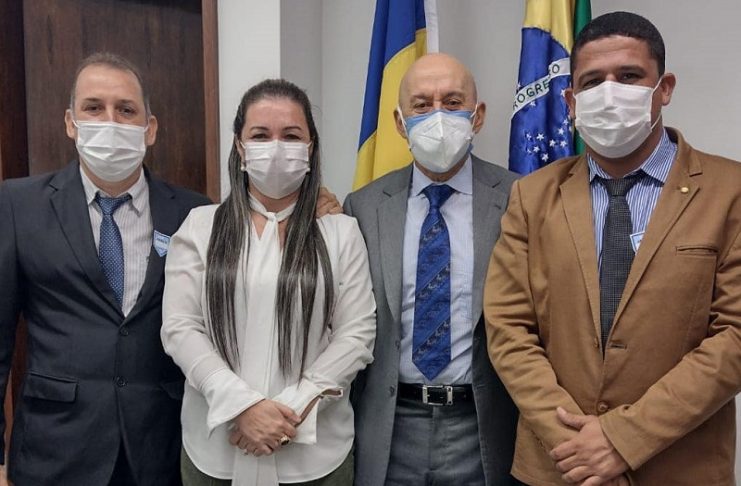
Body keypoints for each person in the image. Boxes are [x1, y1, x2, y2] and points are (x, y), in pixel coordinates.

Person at [485, 11, 741, 486]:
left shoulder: (730, 191)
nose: (609, 92)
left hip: (681, 469)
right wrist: (577, 447)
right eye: (592, 81)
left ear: (664, 88)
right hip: (560, 467)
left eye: (628, 76)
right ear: (571, 101)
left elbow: (735, 337)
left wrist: (623, 439)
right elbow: (508, 330)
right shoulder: (532, 197)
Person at [0, 52, 211, 485]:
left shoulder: (194, 212)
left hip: (161, 451)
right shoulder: (19, 205)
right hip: (54, 451)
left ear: (150, 128)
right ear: (70, 122)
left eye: (126, 110)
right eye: (94, 108)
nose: (110, 121)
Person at [161, 78, 376, 486]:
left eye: (291, 135)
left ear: (311, 147)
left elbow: (357, 333)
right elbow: (181, 328)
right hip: (216, 453)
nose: (276, 147)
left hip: (316, 458)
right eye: (260, 135)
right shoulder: (200, 228)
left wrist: (289, 411)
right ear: (240, 148)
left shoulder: (341, 233)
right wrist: (241, 407)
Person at [344, 53, 520, 486]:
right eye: (421, 105)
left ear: (478, 116)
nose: (437, 116)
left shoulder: (520, 198)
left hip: (482, 425)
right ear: (400, 122)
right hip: (390, 425)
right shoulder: (364, 207)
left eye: (452, 102)